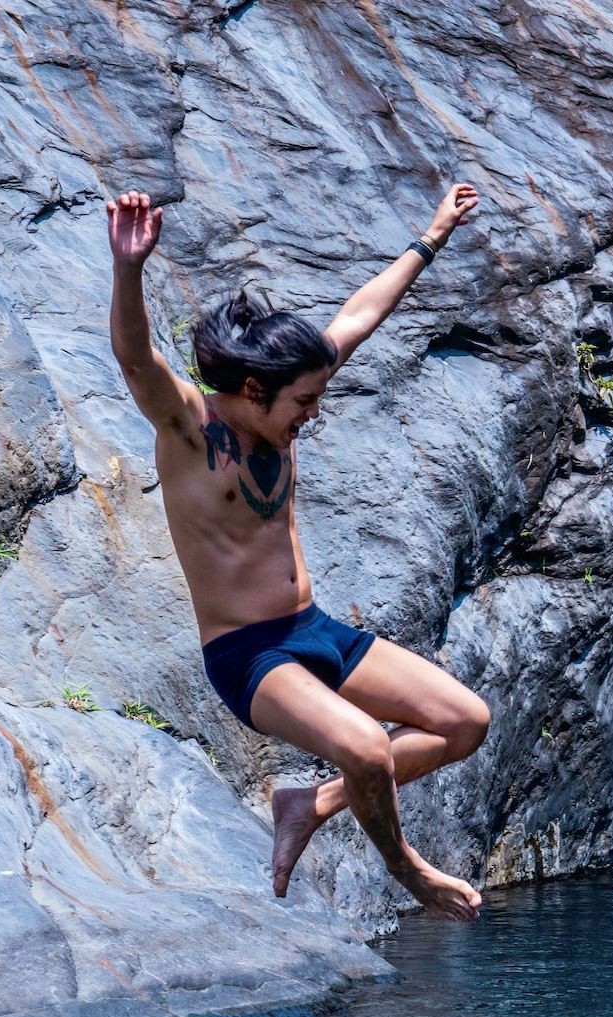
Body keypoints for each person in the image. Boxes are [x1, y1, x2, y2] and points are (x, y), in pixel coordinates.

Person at [104, 182, 488, 921]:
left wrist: (432, 234)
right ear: (253, 389)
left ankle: (311, 802)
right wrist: (129, 269)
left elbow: (360, 315)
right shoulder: (192, 429)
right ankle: (409, 872)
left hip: (315, 630)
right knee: (370, 748)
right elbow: (134, 359)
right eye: (306, 403)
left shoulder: (284, 393)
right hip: (250, 656)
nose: (315, 414)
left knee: (465, 722)